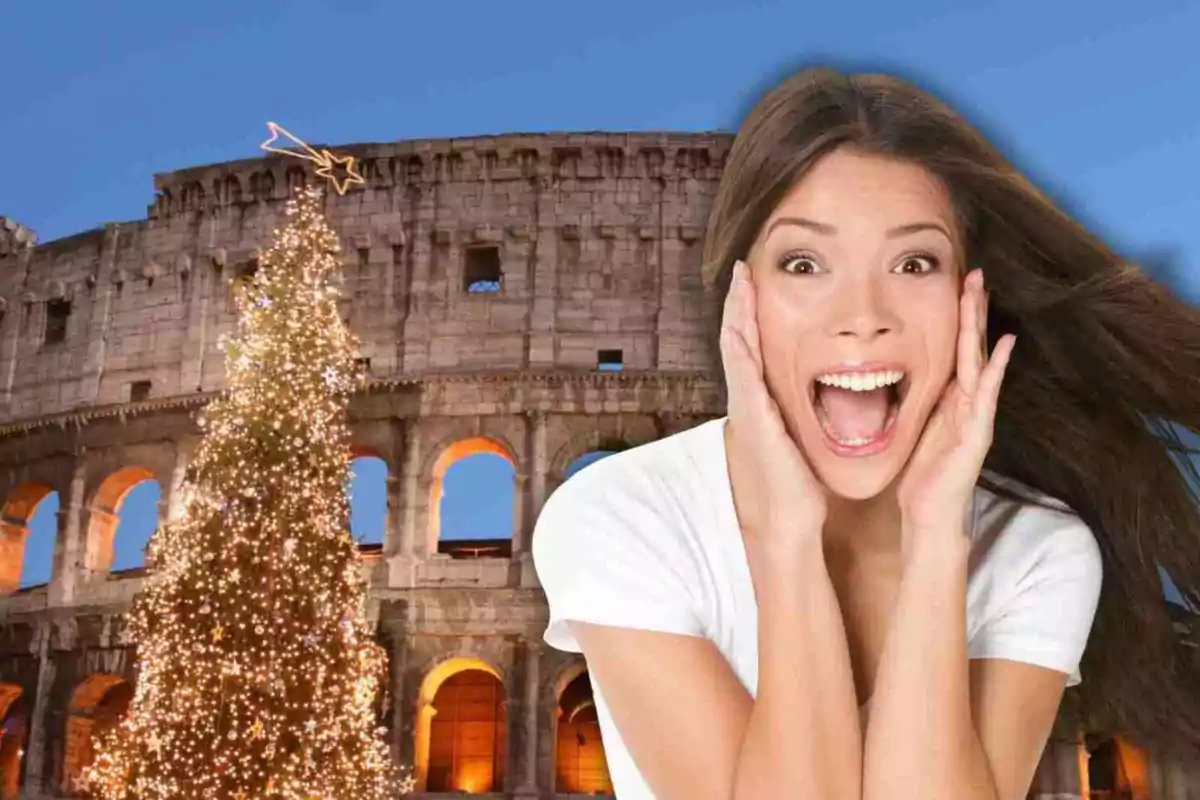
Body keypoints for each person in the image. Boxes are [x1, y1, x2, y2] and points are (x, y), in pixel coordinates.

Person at [532, 65, 1200, 800]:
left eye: (914, 262)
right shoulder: (617, 516)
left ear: (968, 299)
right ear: (738, 294)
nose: (862, 314)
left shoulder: (1039, 552)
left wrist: (937, 536)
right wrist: (787, 537)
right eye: (805, 263)